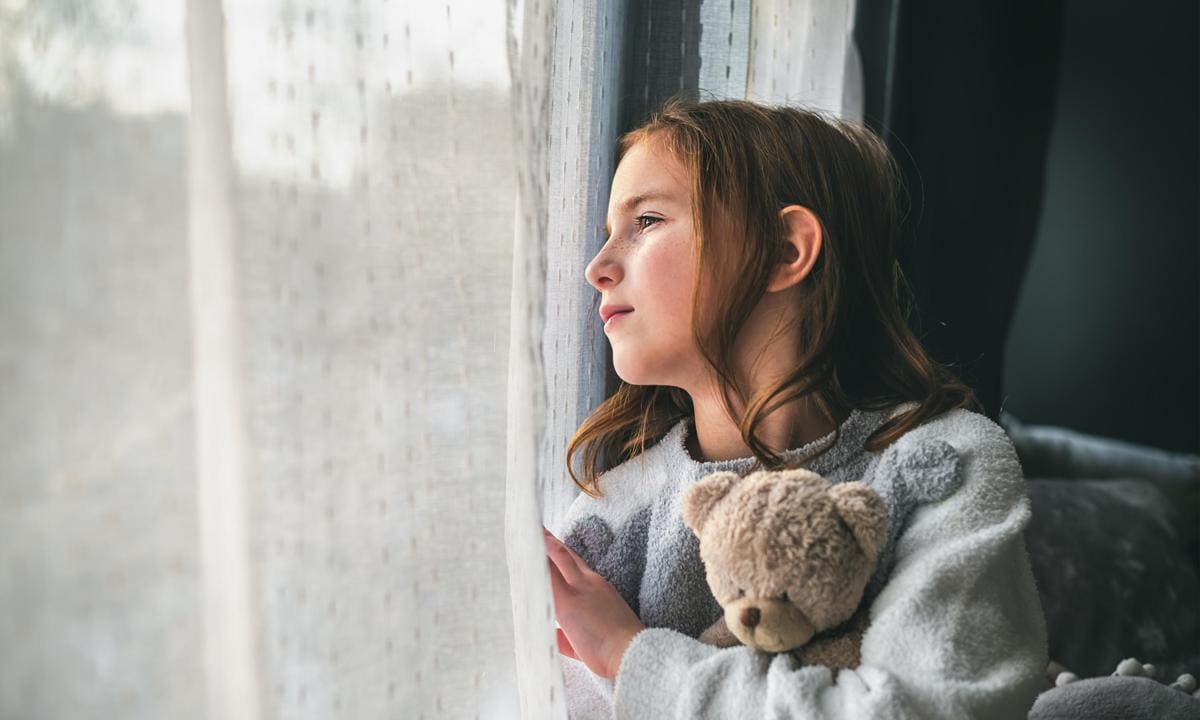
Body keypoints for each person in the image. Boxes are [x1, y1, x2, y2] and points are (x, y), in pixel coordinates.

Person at [542, 97, 1050, 719]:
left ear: (786, 251)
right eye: (606, 236)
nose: (598, 267)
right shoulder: (611, 516)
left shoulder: (939, 465)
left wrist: (627, 655)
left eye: (646, 220)